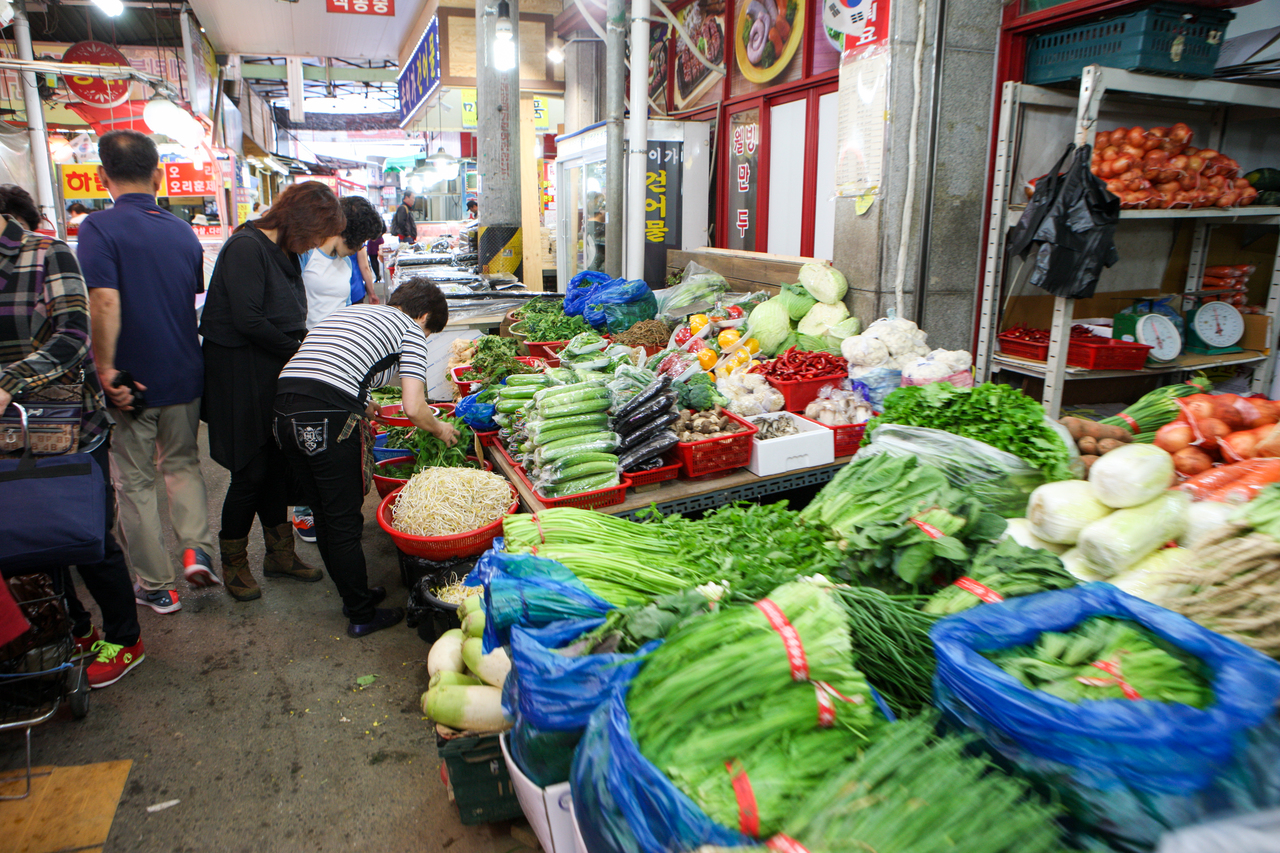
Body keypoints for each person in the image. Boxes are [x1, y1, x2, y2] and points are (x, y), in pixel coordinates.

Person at [0, 184, 145, 688]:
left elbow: (73, 336)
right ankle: (74, 627)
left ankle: (126, 638)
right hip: (6, 435)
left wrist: (9, 382)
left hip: (67, 427)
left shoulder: (44, 253)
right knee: (29, 535)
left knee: (86, 534)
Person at [77, 130, 218, 615]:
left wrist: (105, 367)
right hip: (184, 371)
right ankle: (197, 550)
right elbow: (186, 297)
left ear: (102, 176)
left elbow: (104, 300)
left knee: (134, 483)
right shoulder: (182, 231)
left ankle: (157, 585)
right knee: (181, 465)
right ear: (158, 174)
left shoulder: (98, 228)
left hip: (130, 383)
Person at [275, 278, 458, 637]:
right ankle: (360, 615)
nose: (426, 338)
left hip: (284, 410)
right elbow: (414, 408)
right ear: (422, 316)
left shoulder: (354, 313)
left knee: (324, 513)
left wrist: (364, 403)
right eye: (430, 331)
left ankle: (353, 595)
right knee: (343, 519)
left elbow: (332, 369)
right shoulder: (409, 329)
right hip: (329, 416)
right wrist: (441, 430)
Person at [198, 181, 345, 602]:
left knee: (278, 466)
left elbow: (290, 314)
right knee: (250, 471)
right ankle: (234, 562)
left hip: (271, 374)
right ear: (298, 221)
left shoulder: (285, 252)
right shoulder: (245, 247)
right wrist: (301, 350)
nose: (317, 244)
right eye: (316, 234)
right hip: (237, 377)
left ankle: (280, 555)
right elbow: (247, 319)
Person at [290, 195, 386, 543]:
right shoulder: (304, 253)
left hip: (339, 357)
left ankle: (332, 510)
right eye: (358, 241)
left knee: (336, 435)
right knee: (308, 436)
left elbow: (345, 307)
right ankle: (303, 511)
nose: (359, 248)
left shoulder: (344, 262)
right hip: (305, 356)